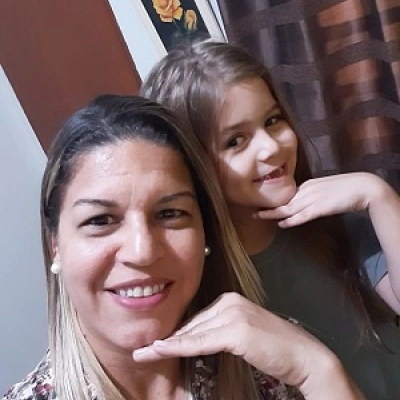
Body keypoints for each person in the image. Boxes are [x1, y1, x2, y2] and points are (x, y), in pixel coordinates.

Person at [2, 94, 366, 400]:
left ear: (205, 233)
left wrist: (318, 372)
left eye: (170, 213)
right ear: (56, 245)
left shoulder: (271, 362)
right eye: (100, 220)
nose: (143, 251)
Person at [141, 40, 400, 399]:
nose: (271, 147)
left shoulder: (335, 225)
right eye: (236, 141)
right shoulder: (197, 287)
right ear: (193, 166)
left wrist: (380, 197)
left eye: (272, 121)